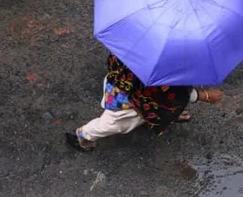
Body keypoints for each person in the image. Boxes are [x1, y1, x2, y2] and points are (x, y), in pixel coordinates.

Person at [66, 54, 224, 151]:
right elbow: (172, 94)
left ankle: (164, 116)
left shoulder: (135, 42)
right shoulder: (166, 70)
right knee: (114, 124)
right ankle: (84, 135)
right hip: (130, 103)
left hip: (120, 83)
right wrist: (205, 96)